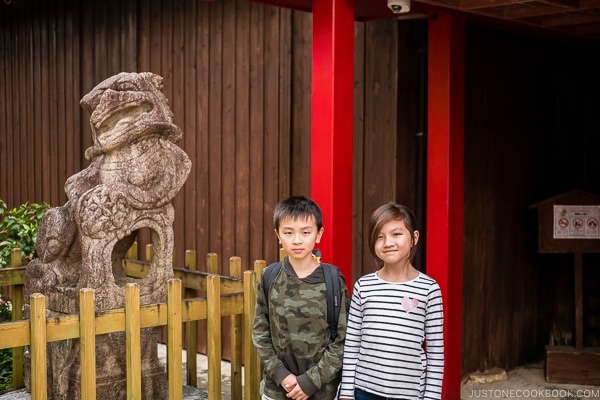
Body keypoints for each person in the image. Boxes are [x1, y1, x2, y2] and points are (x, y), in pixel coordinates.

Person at [339, 203, 444, 400]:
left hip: (410, 394)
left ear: (414, 238)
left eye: (396, 234)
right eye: (380, 236)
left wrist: (431, 397)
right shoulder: (363, 286)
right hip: (364, 391)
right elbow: (352, 343)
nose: (388, 242)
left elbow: (436, 351)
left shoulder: (429, 290)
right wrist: (346, 392)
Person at [253, 195, 350, 400]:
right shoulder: (269, 277)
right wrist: (282, 375)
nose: (297, 240)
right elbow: (260, 332)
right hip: (278, 389)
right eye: (288, 232)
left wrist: (310, 382)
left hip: (321, 390)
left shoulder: (332, 280)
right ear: (278, 235)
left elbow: (342, 340)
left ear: (319, 234)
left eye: (305, 232)